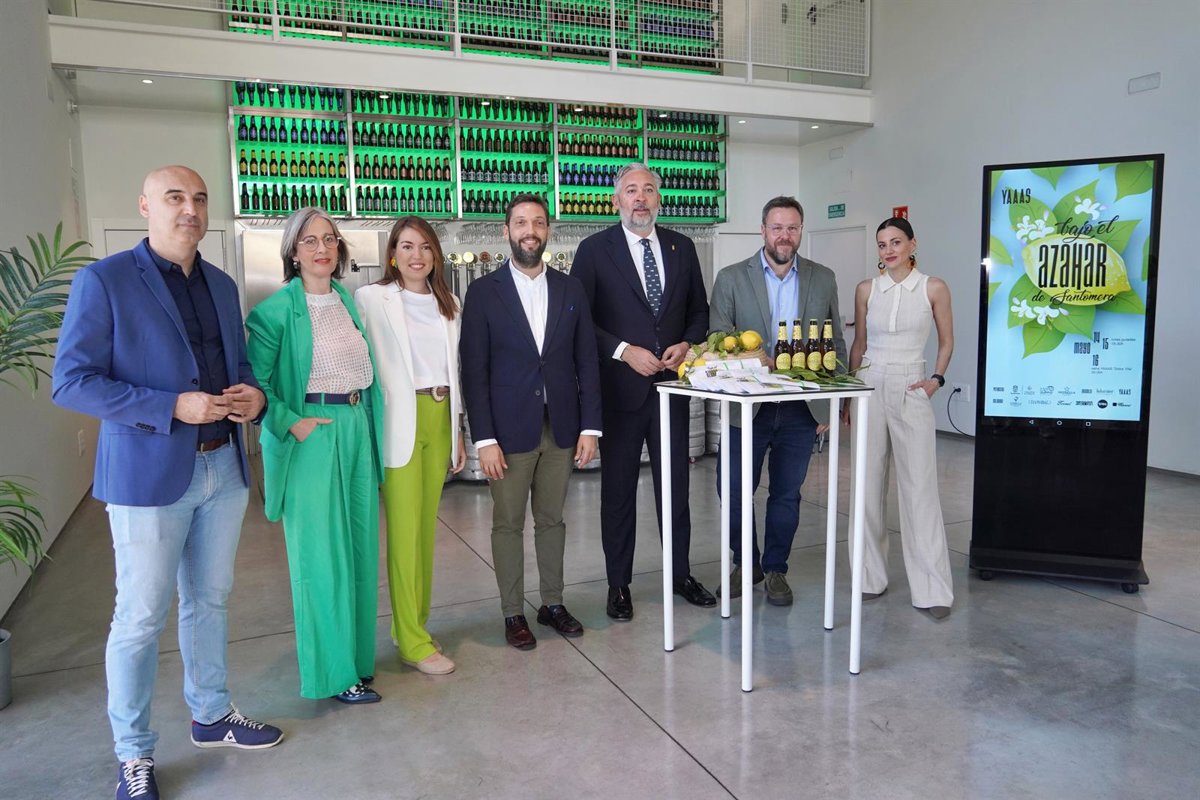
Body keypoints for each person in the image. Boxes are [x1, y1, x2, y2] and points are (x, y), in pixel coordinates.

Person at [52, 165, 283, 800]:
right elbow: (72, 382)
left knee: (209, 601)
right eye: (175, 198)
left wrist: (254, 397)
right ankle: (133, 754)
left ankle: (211, 714)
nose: (190, 209)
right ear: (145, 206)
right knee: (140, 617)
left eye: (200, 199)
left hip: (223, 467)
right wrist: (169, 406)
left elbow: (240, 366)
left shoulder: (221, 284)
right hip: (148, 476)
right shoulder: (105, 280)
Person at [245, 207, 385, 703]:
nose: (322, 248)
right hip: (313, 434)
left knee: (360, 551)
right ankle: (332, 674)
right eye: (309, 241)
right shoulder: (275, 311)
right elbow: (254, 385)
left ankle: (356, 661)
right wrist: (292, 422)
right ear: (292, 252)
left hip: (356, 427)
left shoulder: (346, 300)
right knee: (321, 559)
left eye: (329, 239)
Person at [571, 163, 715, 621]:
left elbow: (699, 312)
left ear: (659, 199)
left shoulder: (682, 247)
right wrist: (623, 351)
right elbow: (579, 320)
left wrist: (686, 344)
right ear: (616, 201)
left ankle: (680, 574)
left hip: (671, 390)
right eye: (631, 190)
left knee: (676, 490)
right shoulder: (595, 250)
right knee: (618, 493)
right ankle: (619, 585)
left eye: (648, 189)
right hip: (619, 393)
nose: (640, 197)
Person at [459, 194, 602, 649]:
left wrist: (590, 427)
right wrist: (483, 437)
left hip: (561, 427)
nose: (530, 231)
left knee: (552, 520)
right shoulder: (484, 293)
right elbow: (473, 370)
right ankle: (512, 611)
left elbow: (587, 360)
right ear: (507, 231)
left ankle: (552, 603)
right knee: (507, 523)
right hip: (506, 431)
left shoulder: (570, 289)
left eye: (538, 223)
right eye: (521, 223)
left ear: (548, 231)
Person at [709, 196, 846, 606]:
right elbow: (717, 339)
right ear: (763, 231)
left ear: (800, 231)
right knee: (733, 489)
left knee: (787, 494)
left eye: (792, 228)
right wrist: (755, 360)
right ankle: (745, 562)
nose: (784, 236)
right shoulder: (731, 278)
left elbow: (835, 342)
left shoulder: (823, 278)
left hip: (801, 409)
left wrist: (831, 401)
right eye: (777, 228)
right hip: (746, 407)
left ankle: (775, 569)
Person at [355, 216, 464, 676]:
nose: (416, 255)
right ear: (393, 255)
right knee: (403, 534)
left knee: (425, 532)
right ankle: (414, 644)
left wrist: (457, 430)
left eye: (424, 247)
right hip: (399, 420)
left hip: (440, 416)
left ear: (435, 254)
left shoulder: (450, 303)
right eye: (406, 246)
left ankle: (412, 626)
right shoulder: (371, 298)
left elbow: (453, 370)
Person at [843, 217, 955, 620]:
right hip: (868, 383)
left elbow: (947, 341)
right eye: (882, 244)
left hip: (912, 384)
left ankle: (932, 589)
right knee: (866, 485)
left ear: (912, 244)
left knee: (920, 488)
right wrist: (848, 395)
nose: (888, 250)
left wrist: (935, 380)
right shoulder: (866, 289)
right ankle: (868, 578)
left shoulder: (933, 287)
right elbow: (859, 344)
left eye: (895, 242)